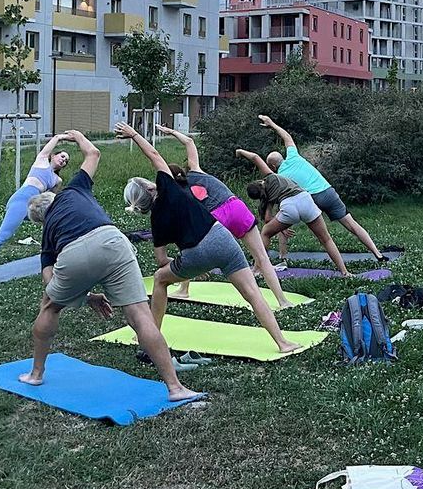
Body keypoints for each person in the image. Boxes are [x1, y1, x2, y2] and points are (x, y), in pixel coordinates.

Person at [20, 130, 200, 403]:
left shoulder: (48, 234)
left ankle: (36, 373)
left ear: (42, 221)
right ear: (53, 198)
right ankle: (175, 388)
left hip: (74, 250)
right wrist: (77, 136)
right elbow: (94, 153)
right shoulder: (74, 188)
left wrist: (84, 297)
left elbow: (50, 281)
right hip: (114, 240)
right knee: (140, 315)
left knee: (49, 305)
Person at [117, 122, 302, 355]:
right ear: (150, 187)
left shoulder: (156, 220)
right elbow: (153, 154)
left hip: (195, 253)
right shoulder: (170, 184)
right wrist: (134, 134)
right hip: (222, 238)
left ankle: (151, 334)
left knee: (160, 279)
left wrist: (186, 268)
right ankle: (282, 342)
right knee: (253, 293)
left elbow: (161, 259)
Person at [155, 124, 294, 310]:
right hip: (236, 206)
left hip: (215, 217)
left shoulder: (178, 195)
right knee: (262, 257)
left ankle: (183, 287)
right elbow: (189, 142)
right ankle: (282, 301)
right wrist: (171, 132)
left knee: (188, 246)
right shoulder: (196, 171)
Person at [243, 115, 386, 263]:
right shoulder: (294, 156)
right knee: (352, 225)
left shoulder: (279, 178)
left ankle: (283, 256)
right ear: (282, 158)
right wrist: (271, 123)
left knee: (283, 217)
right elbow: (286, 136)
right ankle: (377, 254)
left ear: (272, 166)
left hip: (311, 199)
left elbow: (271, 213)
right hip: (328, 192)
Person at [0, 133, 71, 285]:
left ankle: (59, 262)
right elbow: (55, 139)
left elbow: (51, 199)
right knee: (2, 235)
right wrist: (65, 137)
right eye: (62, 156)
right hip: (20, 200)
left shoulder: (58, 180)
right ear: (53, 156)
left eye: (66, 160)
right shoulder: (42, 161)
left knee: (52, 224)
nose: (64, 160)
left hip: (33, 204)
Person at [243, 169, 351, 277]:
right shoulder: (272, 177)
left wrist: (282, 226)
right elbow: (255, 157)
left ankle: (257, 269)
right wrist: (241, 152)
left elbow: (267, 219)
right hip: (305, 200)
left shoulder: (267, 196)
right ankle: (345, 272)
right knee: (326, 239)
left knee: (266, 233)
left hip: (289, 207)